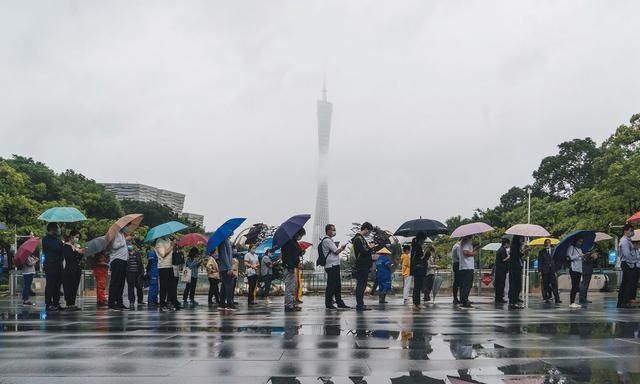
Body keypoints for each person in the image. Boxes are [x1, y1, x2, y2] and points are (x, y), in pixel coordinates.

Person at [321, 224, 349, 310]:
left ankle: (339, 302)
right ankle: (328, 303)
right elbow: (336, 251)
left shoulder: (329, 240)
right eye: (333, 230)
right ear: (328, 230)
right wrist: (342, 248)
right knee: (331, 285)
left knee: (337, 285)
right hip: (331, 266)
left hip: (334, 265)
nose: (334, 231)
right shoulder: (327, 241)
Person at [352, 222, 376, 312]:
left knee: (362, 285)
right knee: (361, 285)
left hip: (364, 265)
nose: (369, 233)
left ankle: (361, 304)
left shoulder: (361, 238)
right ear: (365, 229)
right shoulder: (358, 239)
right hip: (362, 266)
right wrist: (370, 247)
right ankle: (359, 305)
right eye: (369, 231)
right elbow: (362, 252)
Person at [43, 223, 64, 311]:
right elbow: (57, 249)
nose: (58, 230)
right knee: (51, 284)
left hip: (59, 264)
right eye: (57, 228)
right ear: (52, 229)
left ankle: (56, 302)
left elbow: (61, 250)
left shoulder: (58, 239)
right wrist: (63, 245)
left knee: (58, 285)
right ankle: (48, 303)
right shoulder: (46, 239)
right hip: (50, 264)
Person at [282, 229, 305, 312]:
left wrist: (301, 252)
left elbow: (295, 254)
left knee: (294, 287)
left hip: (293, 267)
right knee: (290, 287)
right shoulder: (288, 242)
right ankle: (288, 305)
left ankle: (292, 304)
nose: (300, 237)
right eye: (301, 235)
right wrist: (290, 266)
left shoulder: (294, 242)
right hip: (289, 268)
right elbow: (287, 256)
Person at [108, 225, 130, 310]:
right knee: (115, 282)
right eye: (126, 226)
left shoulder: (121, 234)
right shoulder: (115, 234)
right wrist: (125, 240)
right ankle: (111, 303)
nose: (127, 228)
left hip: (123, 260)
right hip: (117, 260)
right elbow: (115, 246)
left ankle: (119, 302)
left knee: (121, 283)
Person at [156, 236, 180, 311]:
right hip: (163, 267)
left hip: (170, 266)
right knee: (164, 287)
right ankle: (162, 304)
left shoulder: (168, 239)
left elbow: (171, 250)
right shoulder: (159, 242)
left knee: (172, 287)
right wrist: (172, 246)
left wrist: (175, 245)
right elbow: (163, 254)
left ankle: (174, 303)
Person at [62, 230, 84, 310]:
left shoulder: (76, 246)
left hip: (76, 269)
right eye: (76, 237)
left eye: (78, 237)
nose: (77, 239)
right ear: (71, 236)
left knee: (75, 286)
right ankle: (69, 303)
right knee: (69, 286)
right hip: (69, 269)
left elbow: (77, 258)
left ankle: (72, 303)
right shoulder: (66, 246)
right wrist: (77, 252)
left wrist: (81, 253)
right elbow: (69, 257)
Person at [617, 224, 637, 308]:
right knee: (629, 283)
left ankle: (621, 302)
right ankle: (624, 302)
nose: (632, 232)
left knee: (625, 283)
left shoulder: (627, 240)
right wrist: (632, 263)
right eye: (631, 230)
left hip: (627, 263)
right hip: (627, 263)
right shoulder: (624, 241)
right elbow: (627, 254)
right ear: (626, 231)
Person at [218, 236, 238, 311]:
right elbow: (224, 256)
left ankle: (222, 304)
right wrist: (229, 268)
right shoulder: (223, 241)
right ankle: (229, 305)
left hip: (225, 267)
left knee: (224, 286)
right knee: (229, 286)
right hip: (226, 268)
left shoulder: (226, 240)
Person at [567, 236, 588, 309]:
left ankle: (573, 302)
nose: (580, 243)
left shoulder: (580, 249)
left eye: (581, 242)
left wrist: (584, 256)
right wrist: (579, 255)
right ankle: (571, 302)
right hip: (573, 268)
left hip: (579, 269)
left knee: (576, 286)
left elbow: (581, 260)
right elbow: (570, 257)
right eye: (579, 241)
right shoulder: (571, 248)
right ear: (576, 241)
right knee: (574, 286)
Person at [538, 239, 561, 304]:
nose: (547, 244)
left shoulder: (554, 251)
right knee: (545, 285)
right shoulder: (541, 252)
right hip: (545, 271)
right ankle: (546, 298)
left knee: (554, 285)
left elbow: (557, 260)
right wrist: (540, 271)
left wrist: (557, 270)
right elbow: (540, 262)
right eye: (546, 243)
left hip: (552, 270)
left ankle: (557, 298)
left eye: (548, 243)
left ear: (550, 243)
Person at [410, 233, 428, 309]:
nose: (423, 241)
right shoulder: (416, 247)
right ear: (420, 239)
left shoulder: (416, 246)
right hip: (418, 269)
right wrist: (426, 254)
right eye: (423, 240)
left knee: (418, 286)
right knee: (417, 286)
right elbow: (419, 259)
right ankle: (415, 303)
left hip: (418, 269)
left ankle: (417, 303)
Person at [458, 236, 476, 309]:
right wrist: (473, 254)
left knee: (464, 285)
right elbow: (465, 252)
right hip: (467, 267)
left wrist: (474, 249)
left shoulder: (463, 242)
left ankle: (463, 300)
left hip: (463, 267)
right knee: (467, 285)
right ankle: (465, 301)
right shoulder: (466, 242)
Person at [126, 242, 144, 309]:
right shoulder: (126, 254)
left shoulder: (137, 253)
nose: (129, 246)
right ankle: (131, 301)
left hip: (137, 273)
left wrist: (142, 272)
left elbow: (141, 263)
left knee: (139, 286)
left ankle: (140, 300)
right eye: (128, 245)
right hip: (129, 273)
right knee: (131, 287)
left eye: (130, 245)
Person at [508, 236, 525, 309]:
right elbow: (516, 256)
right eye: (521, 239)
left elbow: (519, 256)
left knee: (517, 285)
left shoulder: (516, 247)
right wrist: (522, 251)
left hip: (516, 268)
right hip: (515, 269)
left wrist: (523, 251)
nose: (522, 241)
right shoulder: (514, 247)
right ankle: (513, 302)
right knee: (515, 285)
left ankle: (514, 300)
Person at [494, 238, 510, 304]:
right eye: (508, 243)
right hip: (501, 270)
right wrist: (509, 257)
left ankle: (498, 297)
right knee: (501, 284)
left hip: (499, 270)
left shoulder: (500, 249)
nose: (509, 245)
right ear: (506, 243)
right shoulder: (502, 250)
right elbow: (503, 259)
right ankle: (499, 298)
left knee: (499, 284)